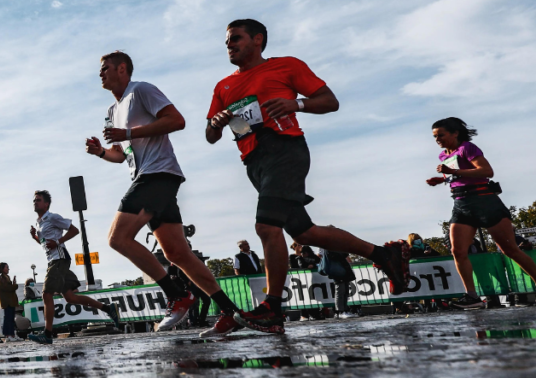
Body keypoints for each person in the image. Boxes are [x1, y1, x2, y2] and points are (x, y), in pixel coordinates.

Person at [206, 19, 410, 334]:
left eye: (236, 39)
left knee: (266, 226)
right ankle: (383, 254)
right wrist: (217, 123)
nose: (229, 45)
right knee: (305, 234)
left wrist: (296, 103)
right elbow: (210, 135)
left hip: (286, 150)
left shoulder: (286, 66)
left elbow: (330, 101)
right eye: (227, 41)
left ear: (258, 40)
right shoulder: (223, 86)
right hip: (253, 160)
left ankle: (272, 308)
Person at [85, 51, 244, 337]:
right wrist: (101, 152)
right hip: (148, 176)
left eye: (105, 68)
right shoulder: (112, 111)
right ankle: (230, 311)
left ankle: (177, 295)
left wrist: (129, 134)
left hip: (158, 174)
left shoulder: (141, 90)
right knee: (177, 253)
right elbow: (121, 156)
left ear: (122, 69)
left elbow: (177, 121)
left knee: (117, 238)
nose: (101, 73)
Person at [425, 117, 536, 309]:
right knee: (457, 251)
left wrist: (453, 172)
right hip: (461, 204)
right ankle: (472, 297)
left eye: (441, 135)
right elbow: (457, 175)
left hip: (485, 201)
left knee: (511, 250)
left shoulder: (467, 148)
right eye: (435, 136)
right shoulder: (443, 156)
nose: (437, 139)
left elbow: (486, 171)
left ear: (455, 133)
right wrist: (442, 179)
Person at [27, 190, 122, 344]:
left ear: (46, 204)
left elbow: (74, 230)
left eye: (38, 200)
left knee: (46, 294)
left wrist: (58, 241)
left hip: (59, 260)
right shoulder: (39, 223)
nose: (35, 202)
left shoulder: (52, 217)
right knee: (70, 297)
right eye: (34, 200)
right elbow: (47, 245)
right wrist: (35, 237)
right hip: (55, 260)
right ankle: (108, 309)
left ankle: (47, 334)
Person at [0, 263, 21, 342]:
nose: (8, 269)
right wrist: (14, 285)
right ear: (2, 268)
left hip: (11, 300)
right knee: (8, 318)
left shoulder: (7, 277)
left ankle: (12, 334)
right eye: (6, 267)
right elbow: (7, 288)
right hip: (7, 301)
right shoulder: (1, 278)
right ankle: (8, 335)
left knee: (11, 318)